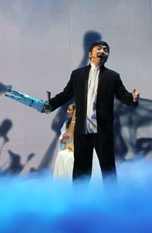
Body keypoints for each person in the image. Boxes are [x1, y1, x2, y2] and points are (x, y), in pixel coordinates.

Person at [47, 41, 139, 183]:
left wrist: (132, 99)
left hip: (102, 129)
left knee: (107, 166)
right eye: (99, 49)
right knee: (80, 168)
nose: (102, 51)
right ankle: (79, 200)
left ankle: (112, 199)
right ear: (90, 54)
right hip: (82, 129)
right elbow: (66, 94)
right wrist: (49, 105)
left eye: (105, 50)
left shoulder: (112, 76)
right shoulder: (77, 74)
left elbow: (123, 95)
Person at [53, 104, 77, 179]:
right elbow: (62, 143)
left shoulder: (83, 124)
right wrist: (63, 138)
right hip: (68, 149)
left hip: (78, 151)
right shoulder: (66, 124)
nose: (67, 111)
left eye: (70, 110)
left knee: (70, 158)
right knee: (61, 155)